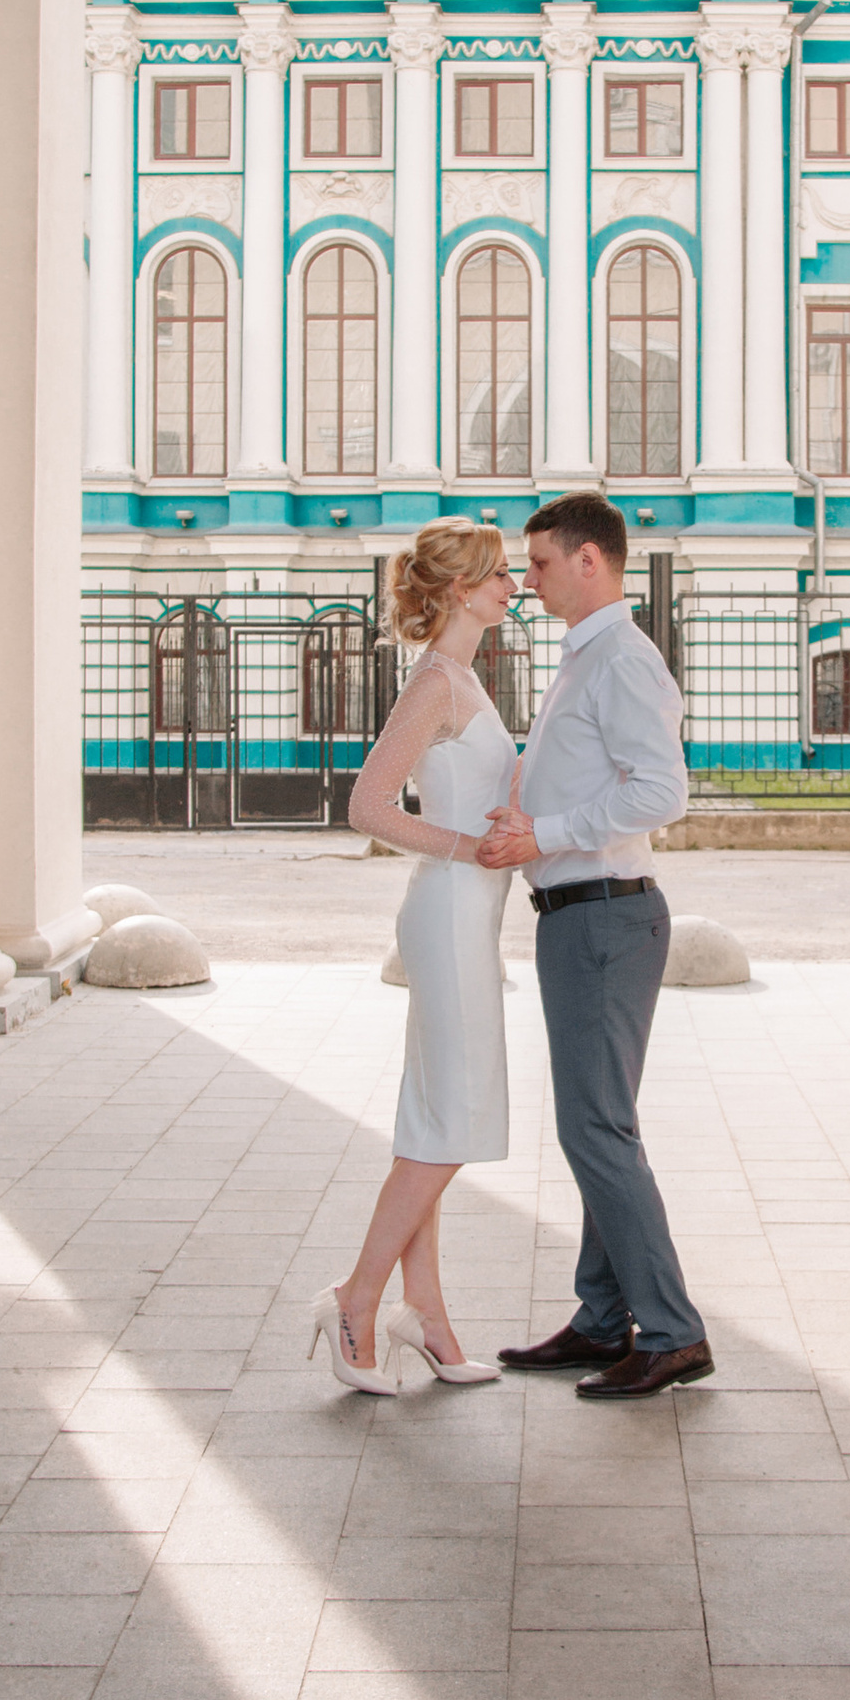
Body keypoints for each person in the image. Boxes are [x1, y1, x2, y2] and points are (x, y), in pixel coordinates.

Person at [477, 490, 712, 1398]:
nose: (526, 578)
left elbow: (662, 792)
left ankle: (672, 1332)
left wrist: (545, 833)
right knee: (598, 1124)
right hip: (584, 915)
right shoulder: (588, 655)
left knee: (593, 1128)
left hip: (603, 917)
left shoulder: (620, 658)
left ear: (588, 560)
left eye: (539, 562)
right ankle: (603, 1317)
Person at [316, 520, 519, 1395]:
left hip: (466, 915)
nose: (513, 585)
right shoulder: (437, 681)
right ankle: (356, 1299)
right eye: (499, 574)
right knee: (452, 1119)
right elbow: (369, 806)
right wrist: (467, 848)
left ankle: (425, 1314)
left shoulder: (466, 677)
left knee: (433, 1118)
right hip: (448, 913)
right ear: (460, 589)